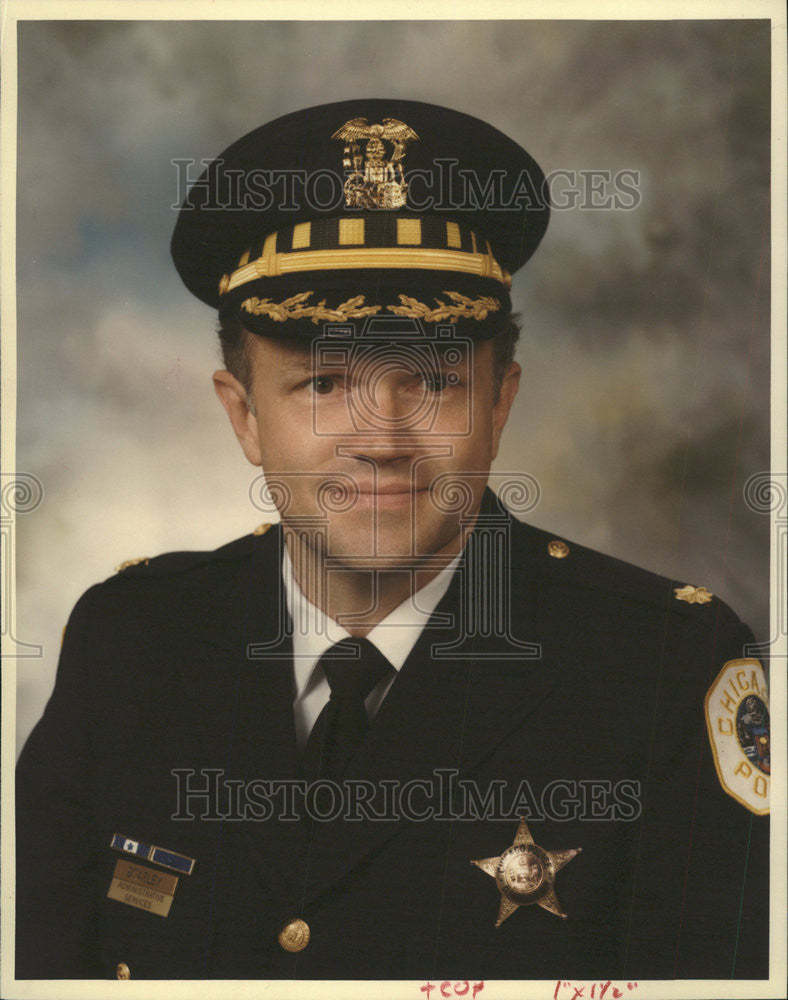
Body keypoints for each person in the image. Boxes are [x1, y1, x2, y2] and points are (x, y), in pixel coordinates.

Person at [16, 98, 769, 981]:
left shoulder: (665, 670)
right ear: (244, 415)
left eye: (432, 384)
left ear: (500, 404)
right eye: (325, 383)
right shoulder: (132, 640)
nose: (379, 437)